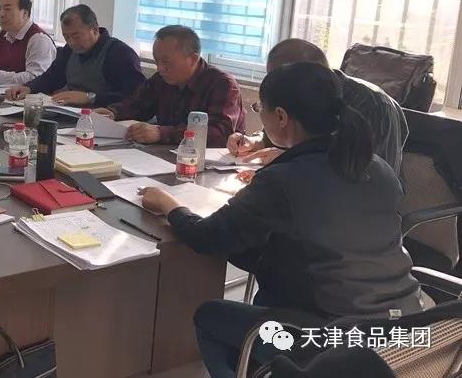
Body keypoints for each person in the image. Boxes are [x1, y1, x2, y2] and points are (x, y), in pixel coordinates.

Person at [141, 62, 423, 378]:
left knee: (210, 316)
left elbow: (208, 237)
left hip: (331, 335)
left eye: (260, 108)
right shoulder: (377, 167)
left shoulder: (283, 179)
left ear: (281, 116)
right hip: (406, 325)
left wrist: (170, 205)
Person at [227, 39, 408, 179]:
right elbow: (284, 135)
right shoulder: (300, 94)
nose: (275, 88)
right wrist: (255, 142)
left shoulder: (372, 105)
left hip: (358, 209)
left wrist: (293, 161)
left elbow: (371, 179)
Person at [94, 26, 245, 146]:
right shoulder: (161, 79)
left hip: (207, 163)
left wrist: (162, 133)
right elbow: (138, 105)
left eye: (166, 62)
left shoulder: (222, 84)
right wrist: (112, 113)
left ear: (193, 59)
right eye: (156, 61)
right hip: (166, 155)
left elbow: (220, 134)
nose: (160, 68)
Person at [6, 4, 144, 108]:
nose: (71, 42)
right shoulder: (69, 50)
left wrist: (89, 97)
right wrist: (29, 88)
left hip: (104, 117)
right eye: (66, 37)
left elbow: (136, 96)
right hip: (69, 112)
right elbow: (52, 77)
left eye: (76, 36)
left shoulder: (119, 54)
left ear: (95, 30)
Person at [0, 0, 56, 85]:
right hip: (6, 91)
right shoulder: (0, 34)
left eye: (7, 9)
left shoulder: (39, 39)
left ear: (24, 13)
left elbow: (35, 78)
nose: (0, 14)